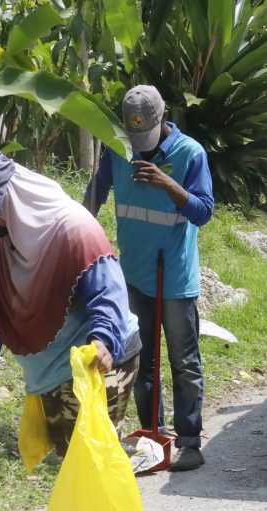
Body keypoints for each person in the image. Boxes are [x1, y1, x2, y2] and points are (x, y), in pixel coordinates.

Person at [0, 144, 141, 489]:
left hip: (97, 363)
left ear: (8, 199)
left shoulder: (73, 229)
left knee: (92, 466)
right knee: (75, 469)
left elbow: (108, 291)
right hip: (51, 376)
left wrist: (104, 341)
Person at [84, 85, 214, 472]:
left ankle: (190, 442)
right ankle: (151, 436)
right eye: (134, 136)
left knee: (184, 361)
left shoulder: (190, 153)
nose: (140, 146)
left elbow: (204, 211)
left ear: (164, 118)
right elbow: (95, 195)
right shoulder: (117, 151)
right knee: (141, 362)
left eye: (147, 136)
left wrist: (168, 184)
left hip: (174, 277)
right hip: (134, 274)